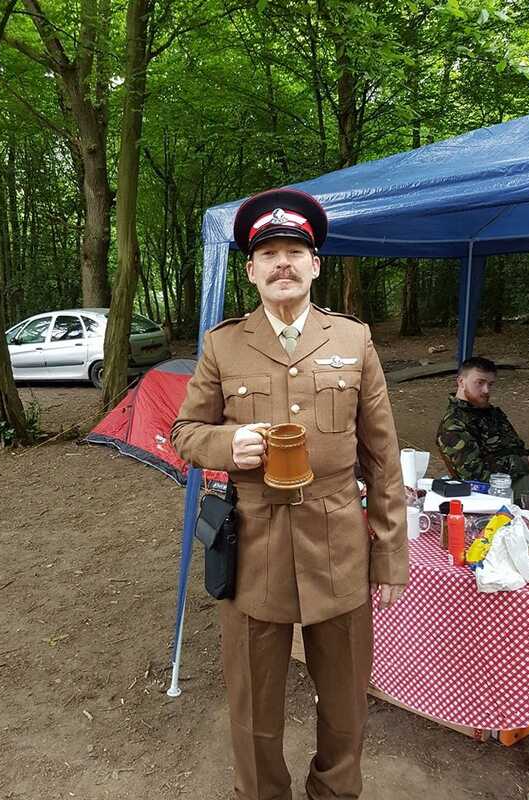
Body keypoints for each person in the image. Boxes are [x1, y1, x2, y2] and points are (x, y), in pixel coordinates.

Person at [171, 188, 408, 800]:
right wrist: (228, 445)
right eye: (269, 254)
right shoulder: (223, 344)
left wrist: (389, 555)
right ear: (251, 271)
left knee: (347, 701)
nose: (283, 263)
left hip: (339, 543)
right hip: (255, 543)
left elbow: (383, 457)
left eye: (294, 252)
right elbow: (184, 432)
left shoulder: (353, 340)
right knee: (254, 708)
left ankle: (334, 791)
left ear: (315, 265)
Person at [436, 356, 529, 495]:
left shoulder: (488, 412)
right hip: (492, 492)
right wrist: (528, 463)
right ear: (461, 382)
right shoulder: (454, 425)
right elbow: (475, 477)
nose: (486, 390)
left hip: (516, 478)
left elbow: (513, 449)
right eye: (480, 383)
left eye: (490, 384)